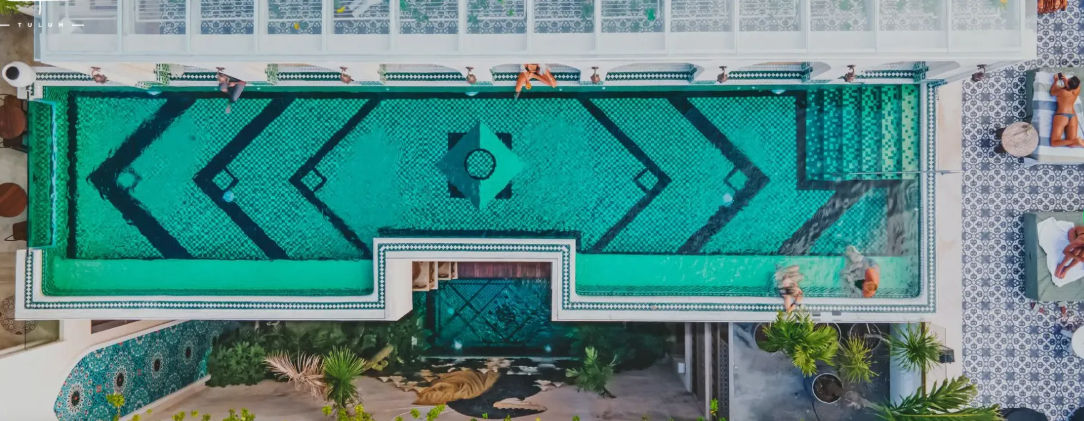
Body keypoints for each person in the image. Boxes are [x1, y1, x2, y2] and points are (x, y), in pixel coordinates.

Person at [1049, 72, 1082, 147]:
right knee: (1071, 145)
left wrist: (1056, 80)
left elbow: (1052, 92)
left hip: (1062, 116)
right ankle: (1077, 141)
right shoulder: (1077, 90)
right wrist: (1066, 81)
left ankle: (1075, 141)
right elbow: (1073, 85)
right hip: (1073, 116)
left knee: (1054, 142)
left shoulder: (1062, 91)